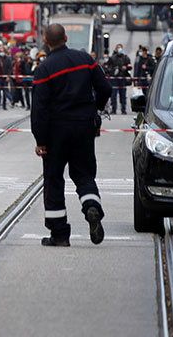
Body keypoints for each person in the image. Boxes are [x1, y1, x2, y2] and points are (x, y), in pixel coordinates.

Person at [31, 24, 112, 247]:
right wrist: (94, 109)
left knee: (54, 179)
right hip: (84, 127)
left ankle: (59, 234)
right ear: (65, 37)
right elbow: (105, 88)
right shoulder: (86, 59)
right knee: (84, 174)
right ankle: (91, 207)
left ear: (46, 42)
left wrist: (40, 140)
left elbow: (39, 108)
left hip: (56, 131)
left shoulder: (44, 69)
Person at [105, 43, 131, 114]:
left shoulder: (125, 58)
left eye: (120, 48)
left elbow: (130, 66)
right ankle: (114, 109)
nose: (119, 50)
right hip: (114, 79)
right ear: (116, 49)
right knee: (114, 95)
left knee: (123, 95)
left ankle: (123, 109)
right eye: (118, 48)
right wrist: (112, 70)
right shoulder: (112, 58)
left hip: (122, 78)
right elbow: (107, 66)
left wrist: (126, 67)